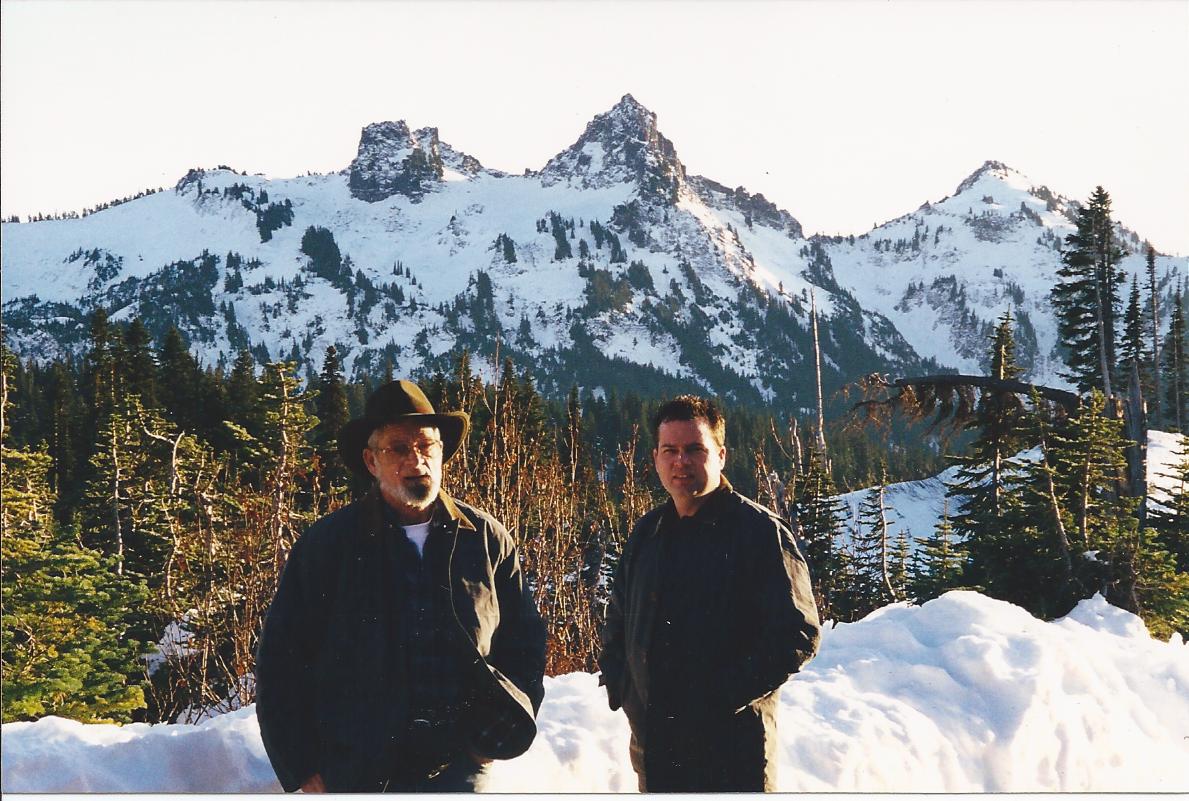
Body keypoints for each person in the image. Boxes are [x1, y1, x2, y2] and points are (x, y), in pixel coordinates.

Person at [256, 379, 546, 793]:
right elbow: (281, 661)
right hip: (358, 770)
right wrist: (300, 764)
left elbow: (525, 644)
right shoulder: (328, 547)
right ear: (371, 461)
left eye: (427, 445)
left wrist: (497, 733)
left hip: (459, 768)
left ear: (442, 452)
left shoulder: (485, 539)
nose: (416, 460)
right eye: (398, 448)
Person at [599, 395, 821, 792]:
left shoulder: (758, 533)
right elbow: (618, 617)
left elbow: (798, 633)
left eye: (694, 449)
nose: (680, 461)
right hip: (655, 750)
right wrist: (624, 689)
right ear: (655, 458)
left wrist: (717, 700)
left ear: (720, 455)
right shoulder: (648, 533)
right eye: (670, 450)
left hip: (731, 755)